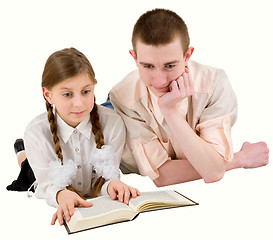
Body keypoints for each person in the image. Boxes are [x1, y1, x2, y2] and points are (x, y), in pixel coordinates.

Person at [108, 8, 269, 186]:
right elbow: (163, 176)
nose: (160, 80)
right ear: (134, 58)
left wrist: (170, 111)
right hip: (114, 140)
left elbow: (213, 171)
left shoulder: (214, 84)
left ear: (187, 56)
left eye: (169, 66)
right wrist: (238, 159)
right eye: (147, 66)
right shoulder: (122, 96)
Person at [7, 47, 140, 226]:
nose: (79, 104)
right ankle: (21, 150)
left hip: (74, 166)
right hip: (42, 170)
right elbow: (48, 186)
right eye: (67, 94)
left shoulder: (113, 124)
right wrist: (61, 194)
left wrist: (112, 185)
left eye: (86, 92)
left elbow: (104, 177)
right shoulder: (36, 133)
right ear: (48, 95)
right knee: (26, 169)